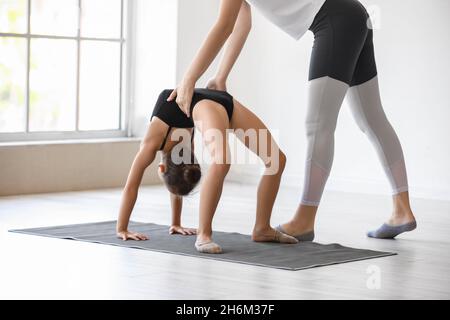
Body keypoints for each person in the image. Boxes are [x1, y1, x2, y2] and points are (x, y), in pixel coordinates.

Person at [168, 0, 417, 240]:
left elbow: (224, 25)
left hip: (334, 21)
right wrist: (221, 76)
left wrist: (188, 79)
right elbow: (240, 23)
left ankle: (305, 219)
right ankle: (401, 209)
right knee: (372, 118)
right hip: (353, 14)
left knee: (318, 125)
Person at [116, 88, 297, 254]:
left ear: (162, 167)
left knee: (226, 161)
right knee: (276, 160)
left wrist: (121, 229)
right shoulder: (183, 152)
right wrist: (176, 223)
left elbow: (131, 187)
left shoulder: (150, 144)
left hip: (202, 103)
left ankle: (206, 234)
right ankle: (261, 228)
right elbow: (176, 179)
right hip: (220, 100)